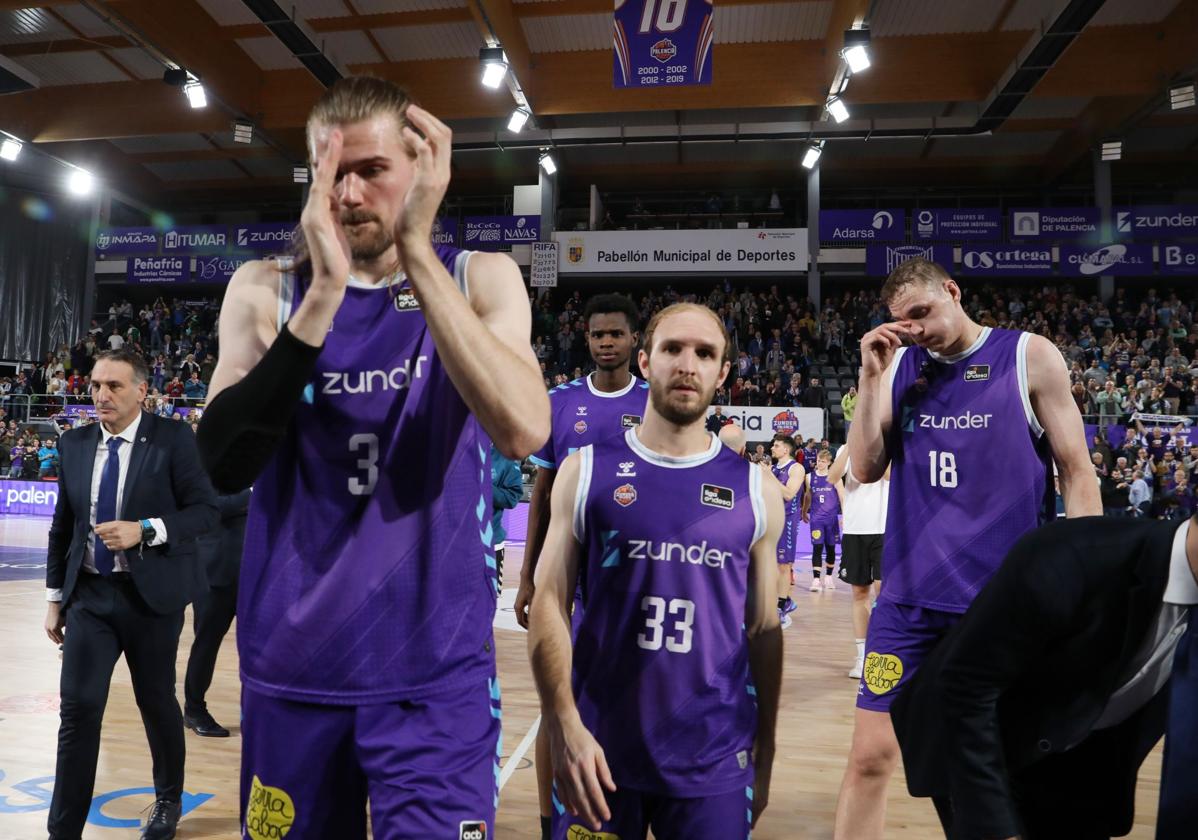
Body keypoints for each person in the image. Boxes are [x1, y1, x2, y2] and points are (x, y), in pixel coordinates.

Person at [196, 76, 549, 838]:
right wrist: (323, 294)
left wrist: (416, 249)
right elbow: (221, 464)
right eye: (331, 171)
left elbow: (524, 428)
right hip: (293, 670)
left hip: (433, 676)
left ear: (421, 171)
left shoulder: (477, 277)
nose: (349, 192)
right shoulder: (265, 290)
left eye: (371, 170)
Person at [833, 258, 1102, 840]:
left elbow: (1078, 473)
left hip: (1001, 605)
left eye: (923, 313)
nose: (917, 329)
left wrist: (1087, 578)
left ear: (953, 292)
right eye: (904, 322)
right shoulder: (901, 365)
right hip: (907, 601)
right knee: (871, 756)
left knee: (995, 767)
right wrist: (871, 376)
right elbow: (863, 466)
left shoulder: (1029, 355)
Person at [527, 303, 784, 839]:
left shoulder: (757, 491)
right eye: (672, 349)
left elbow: (762, 627)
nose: (687, 364)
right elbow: (549, 602)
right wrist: (564, 726)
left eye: (705, 353)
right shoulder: (585, 470)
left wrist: (768, 744)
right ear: (645, 361)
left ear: (724, 373)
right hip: (597, 749)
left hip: (712, 757)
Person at [891, 513, 1198, 840]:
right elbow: (964, 686)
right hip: (987, 742)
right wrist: (994, 827)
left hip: (1076, 759)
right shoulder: (1076, 554)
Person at [44, 349, 218, 840]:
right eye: (96, 385)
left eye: (114, 386)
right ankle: (63, 829)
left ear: (142, 390)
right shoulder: (74, 443)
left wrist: (147, 529)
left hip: (153, 600)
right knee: (78, 709)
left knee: (156, 701)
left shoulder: (173, 439)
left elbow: (204, 511)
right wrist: (56, 597)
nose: (101, 394)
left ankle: (167, 801)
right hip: (90, 598)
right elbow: (64, 527)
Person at [514, 292, 647, 840]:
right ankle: (551, 824)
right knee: (556, 700)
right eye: (598, 335)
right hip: (567, 570)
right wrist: (527, 575)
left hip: (635, 572)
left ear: (635, 339)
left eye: (617, 333)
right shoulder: (561, 401)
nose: (607, 342)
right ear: (586, 339)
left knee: (633, 694)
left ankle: (634, 807)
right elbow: (542, 493)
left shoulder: (656, 398)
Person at [183, 489, 251, 738]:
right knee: (206, 644)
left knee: (254, 650)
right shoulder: (211, 460)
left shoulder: (265, 463)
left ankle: (253, 713)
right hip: (217, 572)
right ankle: (194, 710)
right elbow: (211, 505)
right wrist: (254, 494)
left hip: (256, 574)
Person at [828, 446, 890, 679]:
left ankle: (884, 652)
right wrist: (851, 445)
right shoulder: (847, 448)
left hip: (884, 527)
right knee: (859, 593)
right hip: (855, 529)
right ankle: (862, 657)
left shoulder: (888, 443)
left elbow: (888, 475)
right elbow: (832, 477)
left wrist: (875, 446)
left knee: (882, 592)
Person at [769, 433, 805, 627]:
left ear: (786, 449)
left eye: (776, 445)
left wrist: (768, 477)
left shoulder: (796, 468)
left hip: (787, 520)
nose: (772, 448)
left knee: (783, 565)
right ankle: (784, 601)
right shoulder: (774, 468)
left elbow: (790, 494)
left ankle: (781, 606)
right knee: (771, 565)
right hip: (772, 519)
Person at [802, 448, 844, 591]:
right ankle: (815, 580)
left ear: (829, 463)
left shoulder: (835, 477)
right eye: (819, 460)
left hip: (831, 519)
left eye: (823, 461)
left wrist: (846, 516)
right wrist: (804, 511)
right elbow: (808, 496)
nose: (819, 463)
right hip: (816, 519)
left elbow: (842, 498)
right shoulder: (809, 477)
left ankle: (828, 577)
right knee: (817, 547)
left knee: (831, 548)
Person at [490, 444, 524, 588]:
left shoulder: (505, 458)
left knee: (488, 600)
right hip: (454, 543)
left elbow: (512, 497)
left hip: (491, 543)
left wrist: (483, 486)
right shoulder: (455, 452)